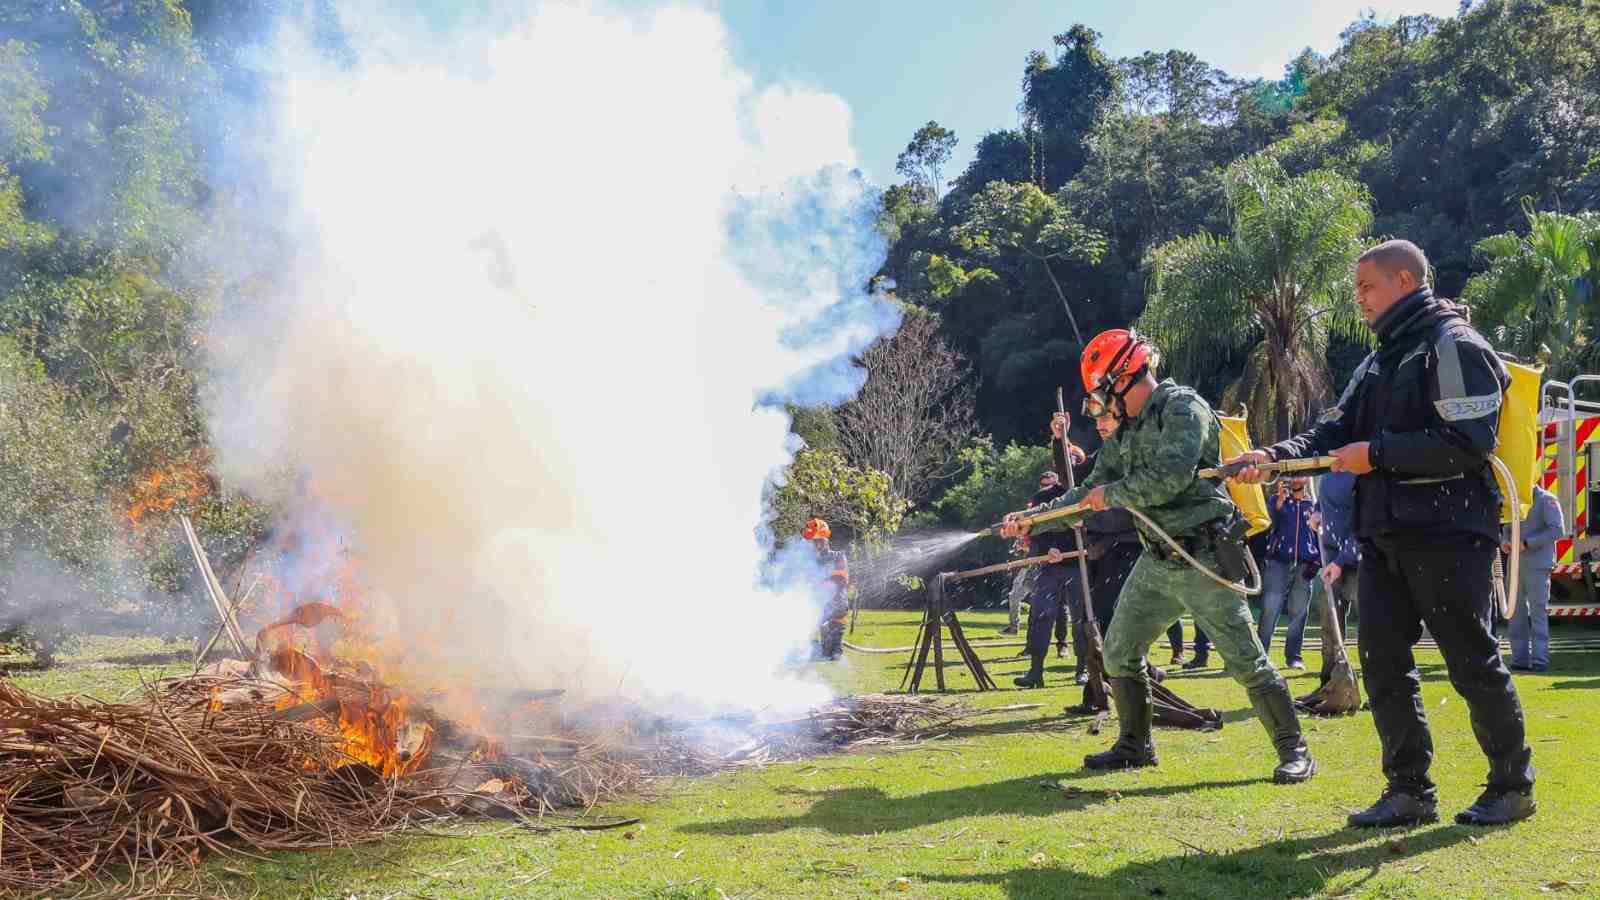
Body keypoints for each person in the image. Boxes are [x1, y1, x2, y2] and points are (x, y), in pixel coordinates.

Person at [1231, 239, 1535, 827]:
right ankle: (1409, 792)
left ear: (1404, 280)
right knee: (1383, 663)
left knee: (1472, 662)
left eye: (1367, 287)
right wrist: (1273, 455)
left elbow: (1469, 443)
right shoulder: (1377, 362)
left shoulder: (1456, 345)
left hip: (1450, 531)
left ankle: (1512, 786)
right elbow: (1333, 427)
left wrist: (1375, 454)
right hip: (1385, 535)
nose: (1359, 300)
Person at [1004, 329, 1315, 783]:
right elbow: (1085, 492)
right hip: (1156, 561)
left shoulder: (1183, 409)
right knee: (1119, 652)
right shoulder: (1125, 433)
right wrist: (1034, 520)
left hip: (1202, 558)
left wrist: (1111, 494)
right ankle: (1135, 745)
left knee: (1246, 662)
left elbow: (1168, 478)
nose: (1100, 404)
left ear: (1124, 379)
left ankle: (1295, 750)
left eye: (1102, 392)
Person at [1013, 469, 1070, 687]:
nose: (1048, 488)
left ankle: (1069, 652)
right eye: (1043, 484)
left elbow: (1069, 524)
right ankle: (1035, 669)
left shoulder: (1069, 493)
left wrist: (1060, 547)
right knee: (1040, 611)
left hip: (1071, 558)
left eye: (1051, 484)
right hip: (1043, 560)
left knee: (1071, 611)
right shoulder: (1037, 501)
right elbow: (1033, 528)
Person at [1260, 478, 1320, 669]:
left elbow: (1320, 533)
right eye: (1291, 475)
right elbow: (1267, 523)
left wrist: (1317, 560)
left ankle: (1293, 657)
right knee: (1270, 609)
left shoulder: (1314, 505)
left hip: (1305, 564)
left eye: (1299, 475)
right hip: (1278, 561)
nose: (1294, 479)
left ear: (1307, 479)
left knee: (1299, 612)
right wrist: (1277, 504)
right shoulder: (1277, 501)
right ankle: (1260, 656)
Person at [1503, 484, 1564, 672]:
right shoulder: (1514, 500)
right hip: (1515, 565)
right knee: (1515, 614)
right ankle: (1519, 659)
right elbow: (1506, 528)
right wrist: (1504, 541)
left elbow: (1557, 530)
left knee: (1538, 614)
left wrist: (1528, 543)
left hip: (1537, 565)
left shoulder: (1546, 499)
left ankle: (1540, 661)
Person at [1316, 471, 1360, 687]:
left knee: (1374, 627)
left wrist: (1342, 561)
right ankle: (1329, 683)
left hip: (1363, 560)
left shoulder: (1363, 471)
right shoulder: (1329, 468)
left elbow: (1365, 524)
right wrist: (1316, 511)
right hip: (1332, 556)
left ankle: (1378, 688)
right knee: (1330, 622)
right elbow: (1325, 501)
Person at [804, 517, 849, 660]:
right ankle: (825, 647)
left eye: (819, 541)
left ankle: (835, 649)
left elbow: (842, 579)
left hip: (837, 606)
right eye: (814, 542)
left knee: (835, 653)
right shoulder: (811, 561)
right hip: (823, 607)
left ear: (825, 541)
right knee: (826, 653)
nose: (816, 545)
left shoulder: (838, 556)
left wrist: (821, 582)